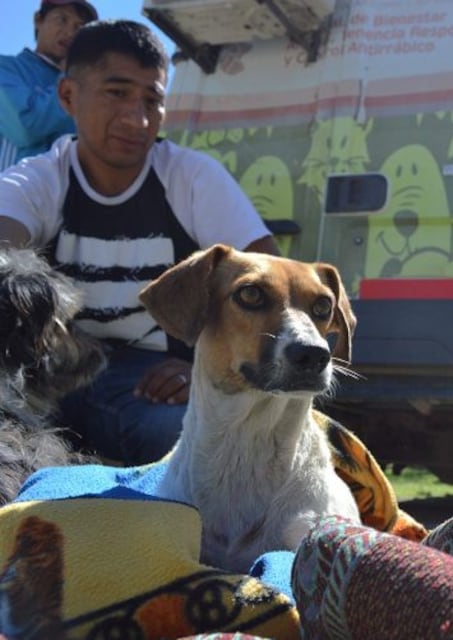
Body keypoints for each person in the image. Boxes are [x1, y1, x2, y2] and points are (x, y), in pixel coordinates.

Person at [0, 19, 280, 465]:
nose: (138, 118)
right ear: (69, 96)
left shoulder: (191, 178)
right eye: (117, 93)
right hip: (52, 377)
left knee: (186, 435)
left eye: (153, 99)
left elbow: (271, 282)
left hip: (154, 384)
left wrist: (207, 366)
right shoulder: (40, 179)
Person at [0, 1, 98, 170]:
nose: (69, 32)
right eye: (61, 19)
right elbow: (26, 129)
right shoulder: (6, 68)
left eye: (79, 27)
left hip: (69, 194)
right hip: (15, 192)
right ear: (38, 20)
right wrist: (71, 76)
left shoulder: (86, 88)